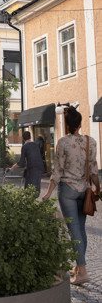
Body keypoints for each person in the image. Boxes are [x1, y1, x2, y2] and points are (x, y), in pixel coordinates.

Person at [42, 106, 100, 285]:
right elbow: (94, 169)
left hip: (68, 190)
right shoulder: (91, 141)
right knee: (80, 229)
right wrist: (97, 188)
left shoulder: (63, 142)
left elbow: (58, 170)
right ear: (80, 124)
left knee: (73, 230)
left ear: (66, 125)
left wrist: (48, 193)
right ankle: (77, 267)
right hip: (85, 190)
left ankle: (83, 271)